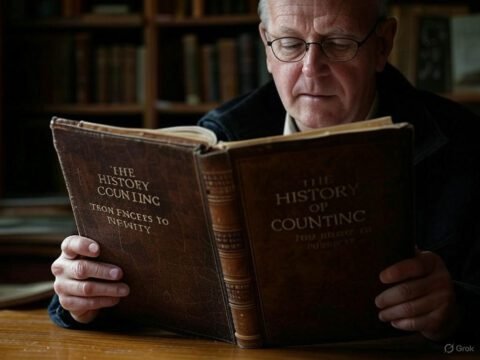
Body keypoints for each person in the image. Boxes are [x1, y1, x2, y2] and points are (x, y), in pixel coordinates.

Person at [49, 0, 480, 344]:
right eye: (290, 43)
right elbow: (103, 283)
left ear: (382, 45)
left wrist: (458, 311)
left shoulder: (464, 144)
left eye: (338, 42)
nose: (312, 69)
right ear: (266, 46)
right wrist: (81, 299)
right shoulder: (217, 139)